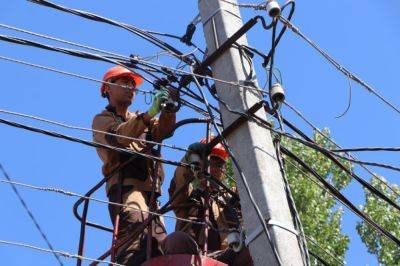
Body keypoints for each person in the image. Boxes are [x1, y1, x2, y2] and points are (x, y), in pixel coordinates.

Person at [92, 65, 176, 265]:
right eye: (124, 83)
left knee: (160, 242)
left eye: (132, 84)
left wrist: (169, 109)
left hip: (151, 192)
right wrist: (149, 114)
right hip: (127, 188)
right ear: (108, 89)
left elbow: (163, 131)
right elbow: (120, 137)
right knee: (135, 224)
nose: (130, 88)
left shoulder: (141, 118)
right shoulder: (102, 120)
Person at [169, 138, 253, 266]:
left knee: (253, 247)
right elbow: (179, 182)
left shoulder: (230, 197)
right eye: (209, 164)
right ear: (199, 168)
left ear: (224, 172)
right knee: (176, 239)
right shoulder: (189, 196)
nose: (213, 169)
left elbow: (251, 188)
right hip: (192, 257)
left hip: (224, 256)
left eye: (219, 165)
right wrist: (188, 159)